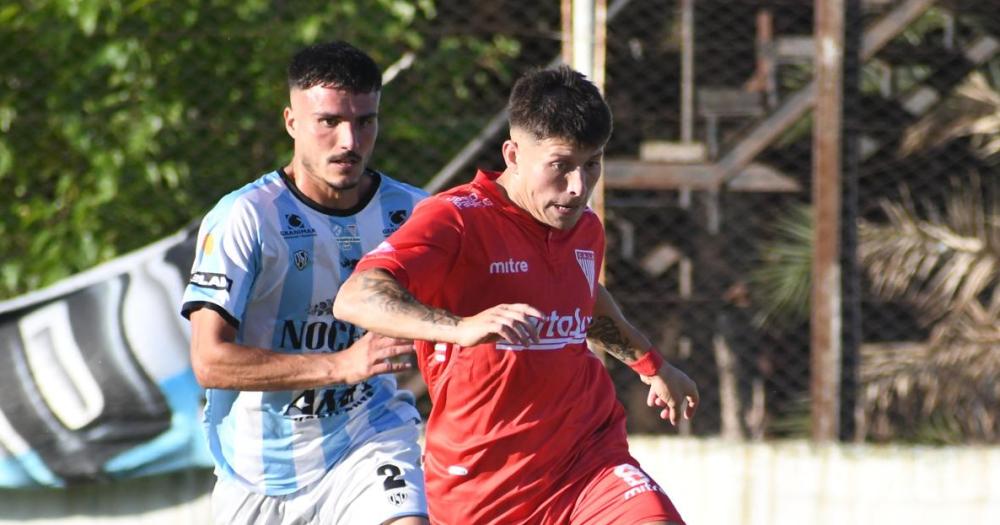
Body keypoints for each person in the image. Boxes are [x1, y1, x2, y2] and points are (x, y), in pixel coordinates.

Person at [334, 65, 700, 525]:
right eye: (561, 166)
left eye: (592, 165)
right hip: (483, 488)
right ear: (512, 154)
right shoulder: (456, 218)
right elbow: (355, 297)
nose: (578, 188)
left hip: (588, 463)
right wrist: (461, 328)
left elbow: (583, 298)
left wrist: (652, 366)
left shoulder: (584, 227)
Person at [180, 41, 429, 525]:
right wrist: (342, 364)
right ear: (292, 122)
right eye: (330, 121)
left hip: (369, 438)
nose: (350, 142)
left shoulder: (416, 214)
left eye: (365, 122)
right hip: (256, 472)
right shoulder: (245, 217)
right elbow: (209, 361)